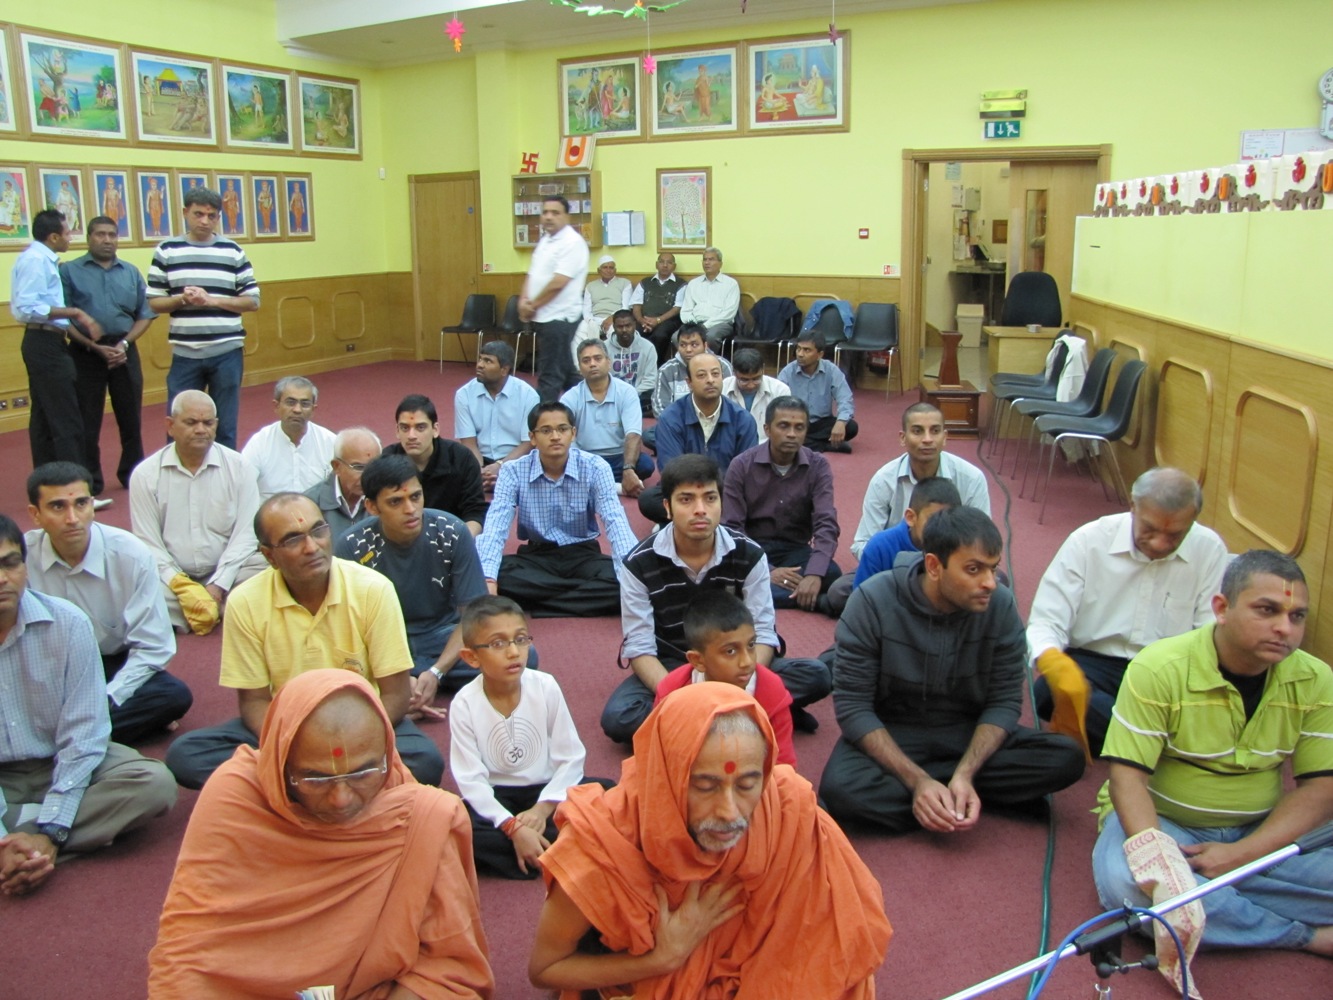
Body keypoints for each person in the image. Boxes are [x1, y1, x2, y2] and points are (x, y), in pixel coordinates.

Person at [148, 670, 494, 998]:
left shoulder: (421, 817)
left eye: (364, 773)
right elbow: (187, 950)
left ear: (389, 753)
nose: (342, 798)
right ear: (280, 762)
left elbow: (448, 966)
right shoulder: (235, 797)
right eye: (315, 778)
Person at [530, 683, 892, 997]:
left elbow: (836, 938)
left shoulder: (786, 808)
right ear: (668, 776)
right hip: (645, 976)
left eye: (747, 785)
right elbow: (544, 970)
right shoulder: (603, 843)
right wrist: (663, 958)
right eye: (705, 786)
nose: (729, 811)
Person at [1091, 550, 1333, 994]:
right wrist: (1162, 862)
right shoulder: (1159, 667)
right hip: (1166, 827)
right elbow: (1127, 779)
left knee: (1171, 900)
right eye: (1268, 610)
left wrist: (1243, 855)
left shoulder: (1317, 679)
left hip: (1261, 830)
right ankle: (1307, 935)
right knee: (1128, 881)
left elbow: (1321, 788)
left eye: (1297, 615)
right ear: (1221, 609)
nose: (1285, 628)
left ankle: (1211, 897)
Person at [819, 506, 1086, 834]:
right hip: (894, 731)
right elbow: (853, 708)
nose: (989, 583)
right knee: (842, 792)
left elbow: (1003, 702)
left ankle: (947, 797)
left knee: (1065, 758)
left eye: (992, 568)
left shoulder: (1000, 606)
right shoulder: (871, 602)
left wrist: (966, 773)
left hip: (968, 733)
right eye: (973, 569)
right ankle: (952, 800)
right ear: (933, 565)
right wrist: (917, 780)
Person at [163, 493, 445, 789]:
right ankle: (341, 782)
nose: (312, 547)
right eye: (292, 540)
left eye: (318, 531)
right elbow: (255, 702)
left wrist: (346, 742)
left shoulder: (373, 589)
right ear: (269, 555)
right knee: (187, 756)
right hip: (287, 730)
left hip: (364, 724)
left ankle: (299, 785)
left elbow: (395, 695)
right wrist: (300, 745)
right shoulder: (245, 602)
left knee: (423, 760)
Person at [0, 514, 177, 899]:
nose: (2, 578)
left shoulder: (66, 624)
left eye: (10, 563)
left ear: (24, 564)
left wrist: (51, 831)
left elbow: (85, 735)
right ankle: (20, 845)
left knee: (155, 785)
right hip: (4, 775)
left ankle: (29, 844)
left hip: (64, 761)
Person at [604, 454, 832, 744]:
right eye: (686, 500)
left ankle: (709, 721)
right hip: (677, 664)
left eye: (710, 498)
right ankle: (756, 713)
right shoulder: (638, 564)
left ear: (721, 504)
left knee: (817, 676)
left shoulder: (749, 554)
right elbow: (640, 646)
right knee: (620, 717)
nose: (701, 510)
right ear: (667, 508)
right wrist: (680, 698)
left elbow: (763, 633)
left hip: (739, 662)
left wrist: (743, 683)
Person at [1029, 467, 1230, 757]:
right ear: (1133, 507)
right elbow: (1047, 621)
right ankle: (1159, 742)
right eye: (1150, 529)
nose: (1160, 543)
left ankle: (1129, 737)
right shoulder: (1088, 540)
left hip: (1167, 670)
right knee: (1048, 691)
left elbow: (1209, 633)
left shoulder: (1208, 548)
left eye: (1175, 535)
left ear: (1193, 521)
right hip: (1095, 663)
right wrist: (1054, 662)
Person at [25, 463, 192, 744]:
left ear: (92, 504)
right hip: (47, 667)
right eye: (57, 507)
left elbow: (153, 646)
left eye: (81, 504)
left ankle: (47, 740)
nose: (72, 518)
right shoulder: (19, 558)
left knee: (172, 696)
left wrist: (108, 698)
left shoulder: (130, 555)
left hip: (110, 665)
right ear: (35, 515)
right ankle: (85, 735)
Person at [334, 454, 497, 710]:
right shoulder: (351, 546)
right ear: (372, 507)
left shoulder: (452, 531)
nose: (410, 509)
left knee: (515, 654)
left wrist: (437, 671)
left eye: (415, 497)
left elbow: (472, 617)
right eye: (395, 502)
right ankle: (404, 683)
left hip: (440, 636)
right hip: (380, 643)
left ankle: (413, 684)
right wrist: (397, 672)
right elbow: (347, 629)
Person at [449, 596, 592, 880]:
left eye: (521, 639)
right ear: (471, 657)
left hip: (546, 795)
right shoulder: (464, 703)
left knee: (606, 796)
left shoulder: (545, 686)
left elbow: (571, 759)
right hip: (497, 799)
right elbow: (471, 782)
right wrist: (512, 826)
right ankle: (550, 850)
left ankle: (527, 852)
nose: (514, 652)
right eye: (498, 644)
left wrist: (540, 811)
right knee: (449, 824)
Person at [477, 402, 637, 618]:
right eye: (546, 430)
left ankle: (542, 605)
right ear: (532, 437)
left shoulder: (595, 467)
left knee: (622, 580)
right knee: (499, 575)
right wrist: (488, 579)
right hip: (536, 556)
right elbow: (495, 527)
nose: (555, 436)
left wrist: (633, 575)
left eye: (562, 429)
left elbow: (616, 521)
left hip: (583, 555)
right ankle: (581, 602)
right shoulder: (513, 471)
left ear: (573, 433)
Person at [129, 390, 267, 635]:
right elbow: (148, 542)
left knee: (273, 567)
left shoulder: (239, 467)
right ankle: (226, 610)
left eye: (208, 423)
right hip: (172, 580)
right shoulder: (145, 474)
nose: (201, 429)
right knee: (132, 584)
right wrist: (180, 585)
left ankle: (202, 609)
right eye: (191, 422)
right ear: (170, 426)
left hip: (231, 573)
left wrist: (217, 585)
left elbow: (247, 534)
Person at [147, 186, 261, 451]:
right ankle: (177, 480)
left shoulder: (232, 251)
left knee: (225, 425)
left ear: (218, 217)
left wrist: (210, 300)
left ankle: (224, 480)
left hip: (227, 352)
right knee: (179, 424)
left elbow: (253, 301)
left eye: (211, 216)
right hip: (185, 354)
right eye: (198, 214)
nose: (204, 221)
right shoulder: (167, 250)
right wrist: (182, 299)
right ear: (185, 212)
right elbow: (154, 302)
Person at [59, 216, 154, 496]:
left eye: (112, 234)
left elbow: (145, 314)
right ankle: (90, 481)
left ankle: (133, 475)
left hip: (124, 350)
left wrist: (123, 344)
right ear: (89, 238)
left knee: (131, 417)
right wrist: (95, 346)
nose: (107, 240)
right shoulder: (70, 271)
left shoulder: (131, 272)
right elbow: (63, 320)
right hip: (86, 352)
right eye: (100, 234)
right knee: (88, 420)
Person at [723, 396, 841, 613]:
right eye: (784, 426)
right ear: (767, 429)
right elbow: (732, 529)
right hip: (752, 548)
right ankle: (811, 599)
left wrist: (814, 574)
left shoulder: (818, 466)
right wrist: (767, 570)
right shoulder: (741, 465)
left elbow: (826, 523)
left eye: (799, 428)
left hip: (795, 550)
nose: (792, 434)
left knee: (831, 574)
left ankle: (749, 596)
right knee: (723, 572)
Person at [10, 209, 103, 477]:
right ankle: (75, 484)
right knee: (66, 418)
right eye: (67, 232)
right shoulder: (36, 261)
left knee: (44, 418)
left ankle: (48, 482)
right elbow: (29, 307)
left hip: (45, 341)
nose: (71, 238)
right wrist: (75, 312)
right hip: (44, 342)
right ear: (53, 236)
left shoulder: (42, 259)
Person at [656, 591, 796, 766]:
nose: (747, 661)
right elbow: (658, 759)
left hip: (754, 785)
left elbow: (783, 767)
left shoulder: (771, 690)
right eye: (730, 651)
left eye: (751, 645)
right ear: (698, 660)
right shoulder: (672, 692)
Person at [849, 401, 992, 559]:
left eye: (935, 431)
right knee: (842, 584)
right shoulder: (883, 481)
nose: (927, 439)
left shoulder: (972, 478)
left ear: (945, 437)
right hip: (895, 568)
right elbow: (863, 544)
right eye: (918, 431)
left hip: (951, 567)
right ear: (903, 438)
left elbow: (981, 541)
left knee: (998, 581)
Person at [640, 351, 757, 525]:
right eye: (702, 375)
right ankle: (714, 522)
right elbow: (670, 469)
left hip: (725, 493)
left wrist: (713, 496)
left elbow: (745, 472)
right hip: (686, 492)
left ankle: (682, 522)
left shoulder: (742, 419)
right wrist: (698, 497)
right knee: (649, 500)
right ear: (689, 383)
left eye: (715, 374)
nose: (710, 380)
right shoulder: (671, 418)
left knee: (761, 497)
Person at [561, 338, 654, 497]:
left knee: (645, 465)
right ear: (579, 367)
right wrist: (579, 463)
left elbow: (633, 435)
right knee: (562, 465)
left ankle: (593, 484)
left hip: (619, 457)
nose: (592, 364)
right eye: (586, 360)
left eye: (598, 358)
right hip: (586, 459)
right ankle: (620, 488)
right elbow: (567, 439)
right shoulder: (570, 398)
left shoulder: (626, 392)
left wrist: (628, 469)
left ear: (608, 362)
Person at [383, 393, 488, 534]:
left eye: (420, 428)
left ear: (435, 429)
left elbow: (475, 512)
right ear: (397, 431)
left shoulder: (462, 459)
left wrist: (461, 543)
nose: (411, 436)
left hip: (452, 538)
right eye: (405, 428)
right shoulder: (386, 462)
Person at [520, 195, 590, 401]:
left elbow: (559, 282)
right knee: (568, 373)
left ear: (567, 216)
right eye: (545, 212)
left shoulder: (572, 242)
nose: (549, 217)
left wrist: (532, 305)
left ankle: (542, 422)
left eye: (555, 213)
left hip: (559, 318)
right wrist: (523, 299)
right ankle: (590, 407)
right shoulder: (545, 241)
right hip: (543, 316)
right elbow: (533, 275)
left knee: (550, 376)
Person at [454, 340, 539, 492]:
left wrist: (500, 466)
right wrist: (480, 470)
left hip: (516, 459)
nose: (480, 365)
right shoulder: (464, 394)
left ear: (504, 370)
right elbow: (468, 442)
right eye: (480, 359)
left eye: (488, 361)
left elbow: (529, 443)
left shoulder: (528, 395)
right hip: (479, 459)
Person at [852, 476, 961, 589]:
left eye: (950, 521)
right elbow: (862, 599)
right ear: (911, 517)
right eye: (933, 519)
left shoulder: (960, 548)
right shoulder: (880, 547)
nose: (942, 528)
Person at [239, 376, 337, 499]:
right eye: (291, 402)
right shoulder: (259, 443)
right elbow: (241, 488)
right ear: (276, 406)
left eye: (305, 404)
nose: (297, 410)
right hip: (271, 516)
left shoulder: (330, 442)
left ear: (313, 410)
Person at [777, 331, 859, 453]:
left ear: (820, 354)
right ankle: (825, 446)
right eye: (798, 349)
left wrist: (841, 423)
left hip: (821, 423)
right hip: (795, 422)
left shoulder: (831, 370)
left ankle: (803, 444)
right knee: (780, 431)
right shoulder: (788, 372)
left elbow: (845, 399)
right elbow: (777, 402)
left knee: (851, 427)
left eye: (806, 350)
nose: (800, 354)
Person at [302, 425, 380, 536]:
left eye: (373, 466)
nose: (368, 476)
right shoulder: (310, 504)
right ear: (336, 466)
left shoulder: (385, 499)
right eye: (358, 467)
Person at [650, 324, 733, 420]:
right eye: (683, 345)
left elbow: (730, 402)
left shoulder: (722, 366)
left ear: (705, 345)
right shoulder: (666, 370)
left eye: (694, 345)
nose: (688, 350)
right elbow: (659, 407)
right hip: (677, 426)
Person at [678, 247, 740, 350]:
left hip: (719, 324)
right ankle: (690, 364)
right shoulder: (693, 283)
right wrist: (693, 325)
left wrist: (705, 326)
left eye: (711, 259)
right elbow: (686, 310)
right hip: (695, 323)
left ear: (720, 263)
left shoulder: (731, 284)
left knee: (710, 337)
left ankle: (708, 364)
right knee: (677, 337)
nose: (707, 263)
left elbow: (729, 313)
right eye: (705, 259)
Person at [630, 252, 687, 362]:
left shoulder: (681, 284)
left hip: (668, 321)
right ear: (656, 264)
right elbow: (636, 305)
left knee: (660, 335)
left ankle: (656, 364)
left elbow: (677, 308)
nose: (665, 265)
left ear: (674, 266)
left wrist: (658, 320)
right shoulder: (645, 282)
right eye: (662, 262)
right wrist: (641, 321)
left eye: (669, 263)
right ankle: (636, 364)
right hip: (644, 319)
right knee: (633, 332)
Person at [604, 308, 659, 416]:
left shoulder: (648, 347)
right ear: (614, 327)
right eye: (620, 326)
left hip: (639, 395)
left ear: (634, 325)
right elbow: (602, 378)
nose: (624, 330)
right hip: (611, 396)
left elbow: (651, 380)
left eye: (628, 326)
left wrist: (631, 394)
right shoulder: (604, 348)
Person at [723, 348, 789, 434]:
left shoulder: (780, 390)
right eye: (744, 380)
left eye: (756, 379)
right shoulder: (723, 388)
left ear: (763, 369)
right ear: (734, 373)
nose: (751, 385)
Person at [578, 253, 631, 345]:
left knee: (616, 331)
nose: (608, 270)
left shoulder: (625, 283)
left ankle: (608, 357)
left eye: (611, 267)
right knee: (579, 330)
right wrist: (591, 322)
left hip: (615, 318)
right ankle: (584, 357)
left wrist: (613, 318)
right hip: (594, 319)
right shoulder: (590, 286)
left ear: (615, 270)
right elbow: (586, 309)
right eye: (605, 267)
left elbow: (625, 307)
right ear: (599, 270)